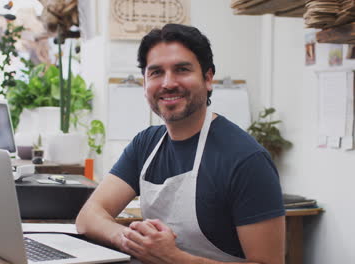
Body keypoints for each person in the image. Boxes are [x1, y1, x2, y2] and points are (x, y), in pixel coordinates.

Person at [76, 24, 285, 264]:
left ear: (207, 78)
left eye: (182, 69)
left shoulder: (245, 159)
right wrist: (128, 239)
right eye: (156, 73)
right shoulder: (146, 145)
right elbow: (89, 216)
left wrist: (173, 258)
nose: (168, 83)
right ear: (145, 84)